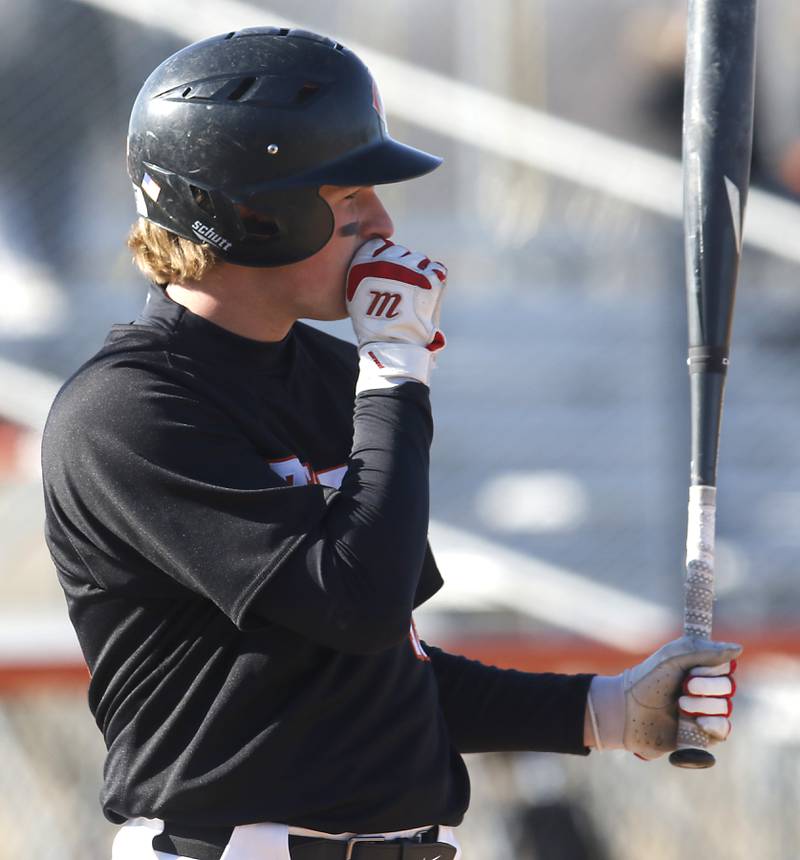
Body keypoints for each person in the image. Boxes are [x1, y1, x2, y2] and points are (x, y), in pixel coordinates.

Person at [41, 27, 740, 860]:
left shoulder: (334, 374)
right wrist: (395, 371)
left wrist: (607, 710)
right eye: (348, 201)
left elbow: (383, 671)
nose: (381, 225)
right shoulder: (129, 407)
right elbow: (355, 605)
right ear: (247, 217)